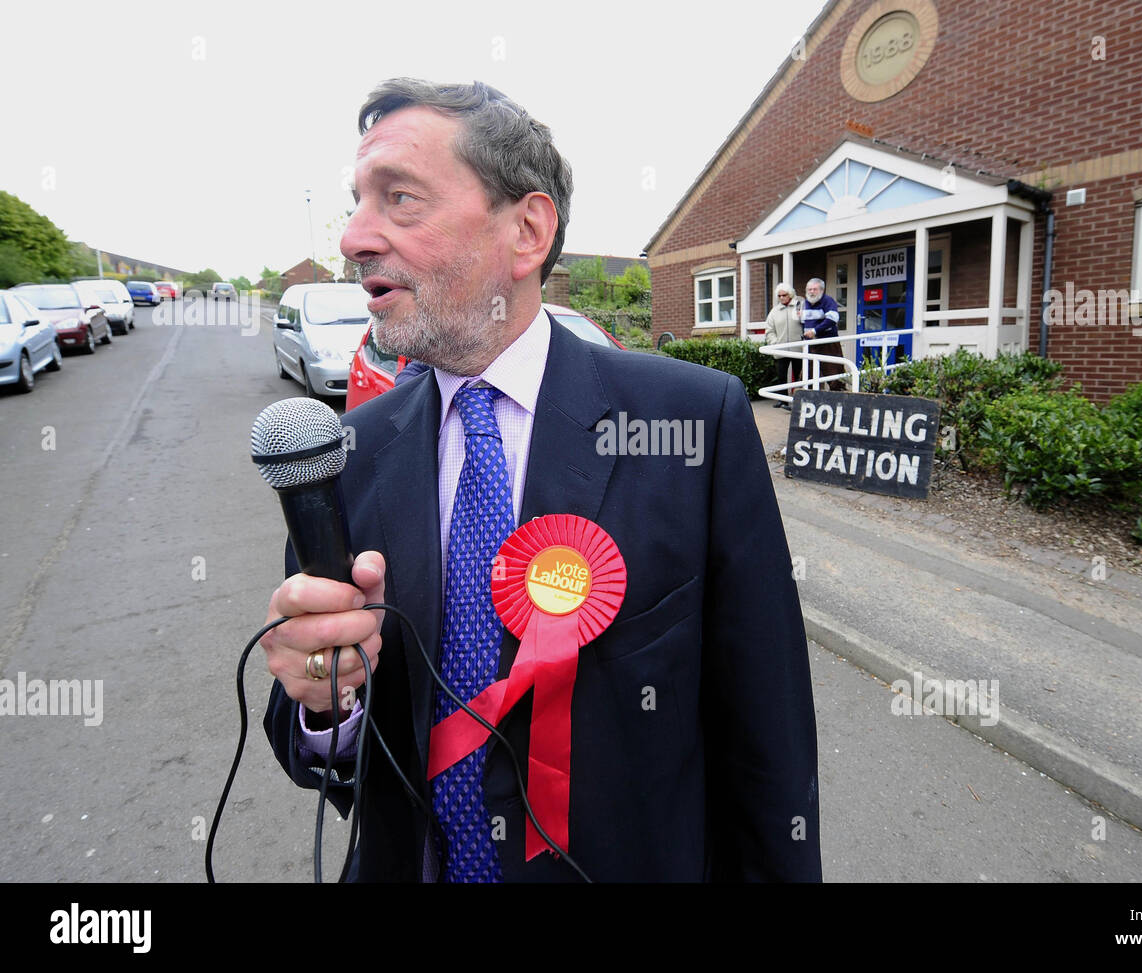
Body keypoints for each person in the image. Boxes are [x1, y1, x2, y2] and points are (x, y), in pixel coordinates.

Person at [258, 79, 821, 883]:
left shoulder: (695, 424)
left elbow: (768, 741)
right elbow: (317, 753)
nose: (352, 238)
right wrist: (325, 697)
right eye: (356, 203)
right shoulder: (345, 451)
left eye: (399, 198)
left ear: (526, 231)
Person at [763, 282, 803, 410]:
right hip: (781, 350)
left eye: (784, 295)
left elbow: (807, 323)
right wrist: (775, 343)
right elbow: (769, 330)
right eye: (779, 296)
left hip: (798, 349)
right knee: (781, 376)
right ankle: (782, 401)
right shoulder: (774, 311)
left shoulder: (799, 306)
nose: (781, 298)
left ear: (790, 294)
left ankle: (798, 401)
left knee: (799, 376)